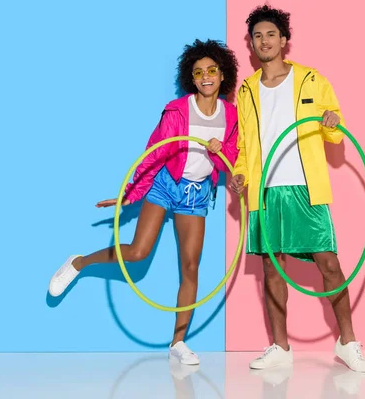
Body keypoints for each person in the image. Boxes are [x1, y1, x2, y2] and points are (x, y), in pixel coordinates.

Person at [48, 39, 239, 366]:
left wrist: (218, 151)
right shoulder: (177, 110)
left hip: (196, 195)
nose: (205, 76)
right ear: (191, 78)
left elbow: (228, 163)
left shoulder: (231, 115)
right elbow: (155, 152)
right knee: (138, 252)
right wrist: (130, 194)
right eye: (198, 72)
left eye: (211, 70)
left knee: (191, 268)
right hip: (167, 184)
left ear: (223, 75)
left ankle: (178, 343)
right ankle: (79, 262)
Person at [229, 4, 365, 373]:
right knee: (272, 269)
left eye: (271, 34)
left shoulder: (311, 79)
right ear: (252, 44)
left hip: (306, 187)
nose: (264, 41)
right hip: (264, 190)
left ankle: (348, 342)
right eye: (257, 36)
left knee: (329, 264)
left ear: (284, 40)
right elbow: (243, 143)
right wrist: (241, 174)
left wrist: (332, 121)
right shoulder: (246, 91)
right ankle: (280, 347)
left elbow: (334, 131)